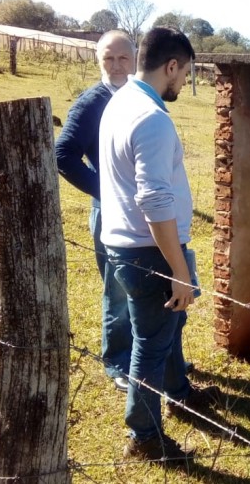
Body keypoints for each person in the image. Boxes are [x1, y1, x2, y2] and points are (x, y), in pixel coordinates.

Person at [99, 27, 211, 461]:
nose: (183, 82)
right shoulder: (152, 119)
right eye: (185, 73)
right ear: (171, 66)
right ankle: (144, 435)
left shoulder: (119, 101)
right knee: (150, 341)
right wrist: (178, 270)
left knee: (168, 327)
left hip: (127, 245)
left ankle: (179, 392)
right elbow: (154, 201)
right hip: (150, 252)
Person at [54, 30, 136, 392]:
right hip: (111, 211)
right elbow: (63, 155)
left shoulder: (137, 96)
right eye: (108, 59)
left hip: (143, 212)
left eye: (123, 58)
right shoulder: (92, 103)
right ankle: (118, 363)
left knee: (144, 286)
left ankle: (146, 358)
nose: (116, 66)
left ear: (134, 60)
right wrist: (106, 191)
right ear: (98, 60)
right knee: (117, 289)